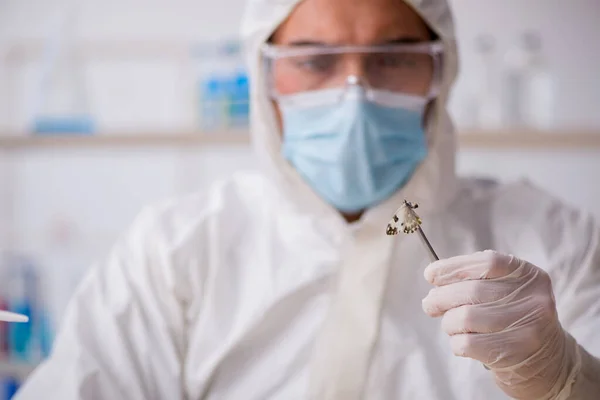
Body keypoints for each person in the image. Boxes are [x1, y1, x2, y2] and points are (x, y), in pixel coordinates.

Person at [15, 0, 600, 398]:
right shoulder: (174, 251)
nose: (354, 94)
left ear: (441, 73)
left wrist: (563, 377)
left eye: (394, 58)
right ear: (263, 76)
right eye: (315, 60)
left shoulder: (553, 242)